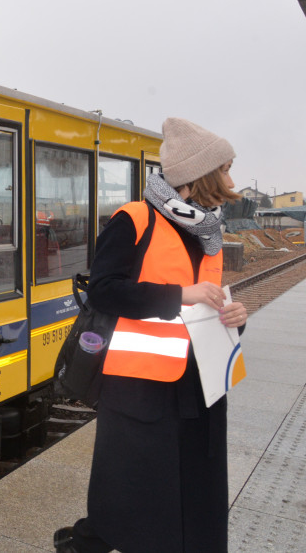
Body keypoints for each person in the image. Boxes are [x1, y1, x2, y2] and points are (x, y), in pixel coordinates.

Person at [54, 118, 248, 553]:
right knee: (131, 483)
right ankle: (92, 541)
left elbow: (209, 299)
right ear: (202, 174)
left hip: (201, 380)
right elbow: (103, 291)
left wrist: (235, 316)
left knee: (199, 485)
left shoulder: (210, 230)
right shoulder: (134, 219)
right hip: (140, 381)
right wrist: (179, 295)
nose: (233, 181)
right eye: (228, 168)